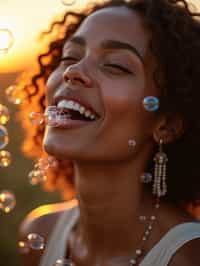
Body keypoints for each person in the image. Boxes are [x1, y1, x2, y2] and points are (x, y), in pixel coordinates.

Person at [18, 0, 200, 265]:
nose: (72, 71)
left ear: (166, 124)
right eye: (70, 56)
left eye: (115, 65)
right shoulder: (40, 234)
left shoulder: (188, 257)